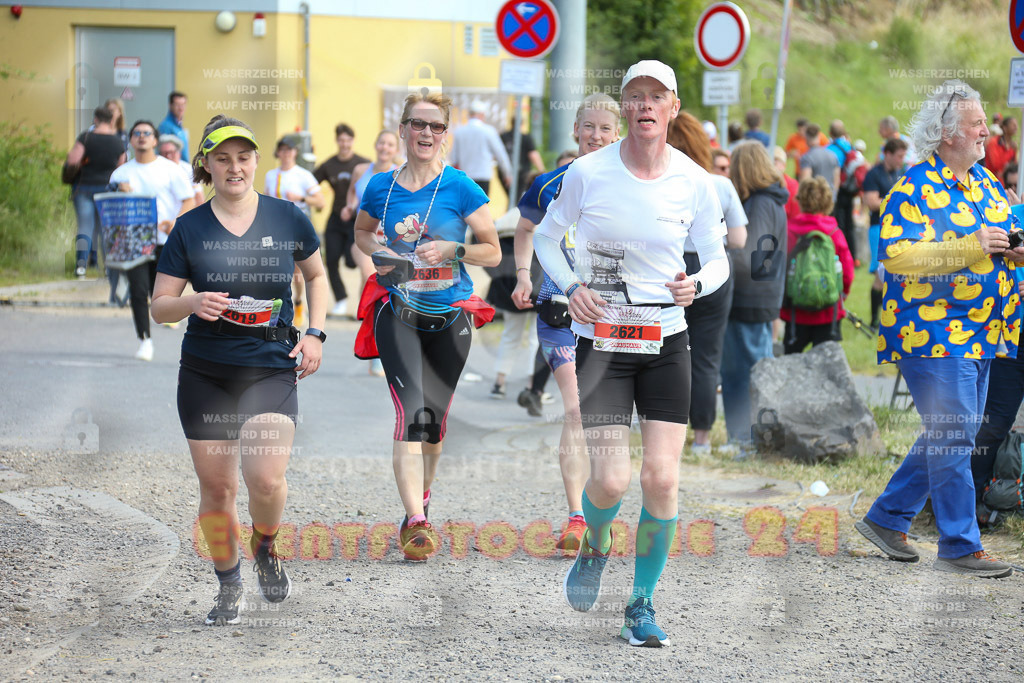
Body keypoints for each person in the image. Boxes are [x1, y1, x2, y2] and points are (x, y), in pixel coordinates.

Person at [534, 60, 729, 647]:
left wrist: (698, 285)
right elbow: (546, 237)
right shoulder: (589, 174)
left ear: (672, 108)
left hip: (667, 342)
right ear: (624, 108)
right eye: (635, 96)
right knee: (612, 481)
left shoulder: (695, 180)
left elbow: (717, 258)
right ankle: (596, 542)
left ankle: (640, 604)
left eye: (657, 97)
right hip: (603, 346)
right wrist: (571, 287)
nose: (645, 106)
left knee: (662, 478)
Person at [151, 115, 328, 626]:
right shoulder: (190, 227)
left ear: (256, 161)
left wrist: (315, 332)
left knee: (266, 481)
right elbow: (159, 305)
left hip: (270, 365)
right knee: (219, 490)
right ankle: (228, 583)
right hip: (206, 371)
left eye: (244, 156)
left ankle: (266, 546)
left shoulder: (286, 216)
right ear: (205, 164)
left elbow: (316, 277)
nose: (235, 167)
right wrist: (191, 301)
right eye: (223, 158)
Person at [855, 80, 1018, 578]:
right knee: (955, 434)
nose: (985, 130)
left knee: (953, 434)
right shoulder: (913, 185)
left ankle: (887, 519)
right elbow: (897, 254)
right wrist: (971, 246)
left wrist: (1014, 249)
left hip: (985, 332)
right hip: (933, 335)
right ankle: (960, 543)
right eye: (975, 123)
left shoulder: (986, 184)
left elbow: (1002, 239)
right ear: (947, 132)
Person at [353, 92, 501, 562]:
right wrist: (382, 255)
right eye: (417, 124)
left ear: (445, 135)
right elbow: (361, 232)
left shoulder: (461, 188)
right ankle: (416, 522)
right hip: (396, 310)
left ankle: (424, 495)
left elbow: (493, 251)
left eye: (435, 127)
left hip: (450, 314)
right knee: (410, 412)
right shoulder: (380, 186)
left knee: (433, 423)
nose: (426, 134)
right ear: (402, 129)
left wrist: (455, 251)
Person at [511, 93, 620, 551]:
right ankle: (578, 516)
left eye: (605, 129)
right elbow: (524, 230)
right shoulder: (549, 182)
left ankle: (602, 507)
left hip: (613, 316)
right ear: (576, 131)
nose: (596, 136)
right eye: (588, 127)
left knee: (607, 418)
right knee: (576, 410)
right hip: (559, 313)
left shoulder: (631, 184)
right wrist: (522, 277)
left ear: (619, 134)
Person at [667, 112, 748, 453]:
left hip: (671, 270)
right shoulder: (721, 184)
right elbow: (740, 240)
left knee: (667, 350)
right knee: (706, 356)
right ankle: (701, 438)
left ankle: (668, 430)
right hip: (713, 269)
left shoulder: (665, 182)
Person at [720, 141, 789, 445]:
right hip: (762, 297)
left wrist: (717, 253)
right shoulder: (772, 201)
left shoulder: (760, 203)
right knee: (755, 373)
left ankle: (745, 439)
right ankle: (755, 437)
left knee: (742, 376)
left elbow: (749, 256)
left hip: (749, 299)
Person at [109, 119, 195, 361]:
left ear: (155, 140)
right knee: (138, 291)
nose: (141, 136)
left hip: (164, 242)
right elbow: (110, 210)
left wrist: (175, 223)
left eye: (147, 133)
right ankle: (144, 340)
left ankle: (180, 328)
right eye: (136, 133)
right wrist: (119, 193)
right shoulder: (120, 174)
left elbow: (187, 200)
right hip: (134, 242)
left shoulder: (170, 169)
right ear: (130, 139)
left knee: (161, 294)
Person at [345, 130, 400, 376]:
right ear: (375, 144)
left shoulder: (402, 173)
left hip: (390, 242)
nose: (385, 148)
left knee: (387, 291)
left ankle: (381, 348)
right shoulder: (361, 170)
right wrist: (349, 206)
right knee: (371, 277)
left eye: (390, 144)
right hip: (364, 239)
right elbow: (352, 192)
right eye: (382, 143)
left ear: (395, 149)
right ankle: (369, 322)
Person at [779, 176, 854, 353]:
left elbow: (779, 268)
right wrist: (840, 295)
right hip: (829, 311)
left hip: (795, 312)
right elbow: (848, 273)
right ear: (828, 202)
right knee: (826, 370)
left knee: (791, 365)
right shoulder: (834, 232)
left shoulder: (788, 230)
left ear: (800, 200)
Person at [265, 135, 325, 328]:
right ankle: (276, 309)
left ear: (295, 152)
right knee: (274, 269)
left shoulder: (303, 175)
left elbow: (320, 201)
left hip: (296, 228)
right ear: (278, 152)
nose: (286, 154)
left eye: (290, 150)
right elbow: (265, 200)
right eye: (283, 150)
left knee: (297, 271)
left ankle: (299, 302)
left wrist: (301, 197)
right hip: (274, 227)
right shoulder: (270, 175)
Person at [314, 123, 370, 317]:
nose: (344, 144)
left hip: (358, 220)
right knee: (330, 260)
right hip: (336, 218)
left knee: (351, 261)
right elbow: (311, 182)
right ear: (337, 141)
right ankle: (341, 299)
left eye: (348, 140)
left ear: (352, 141)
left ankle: (360, 301)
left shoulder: (363, 164)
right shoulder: (329, 165)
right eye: (341, 140)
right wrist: (314, 200)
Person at [66, 106, 126, 277]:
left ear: (96, 119)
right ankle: (108, 267)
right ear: (111, 120)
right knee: (106, 229)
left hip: (84, 188)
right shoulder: (117, 142)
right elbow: (121, 168)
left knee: (85, 226)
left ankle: (81, 266)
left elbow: (72, 160)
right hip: (107, 191)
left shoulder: (86, 137)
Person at [861, 137, 908, 329]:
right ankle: (874, 319)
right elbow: (871, 202)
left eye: (904, 156)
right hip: (878, 228)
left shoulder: (902, 173)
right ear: (887, 154)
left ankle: (889, 317)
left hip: (899, 228)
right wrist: (895, 201)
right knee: (880, 274)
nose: (901, 160)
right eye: (899, 156)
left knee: (895, 272)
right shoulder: (874, 174)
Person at [449, 100, 512, 195]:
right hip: (483, 176)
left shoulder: (459, 132)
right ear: (482, 114)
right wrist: (507, 174)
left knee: (466, 208)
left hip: (465, 177)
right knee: (482, 207)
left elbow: (453, 159)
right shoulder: (489, 131)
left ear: (470, 114)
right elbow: (500, 154)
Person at [826, 120, 859, 266]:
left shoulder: (830, 149)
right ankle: (854, 257)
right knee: (850, 224)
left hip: (838, 190)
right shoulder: (850, 147)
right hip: (851, 190)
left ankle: (841, 256)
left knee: (839, 224)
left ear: (830, 133)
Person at [500, 122, 546, 200]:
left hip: (504, 173)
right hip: (522, 173)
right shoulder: (525, 137)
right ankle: (515, 210)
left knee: (513, 198)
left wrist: (506, 173)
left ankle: (513, 209)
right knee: (517, 198)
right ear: (522, 125)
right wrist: (542, 171)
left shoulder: (503, 136)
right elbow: (533, 155)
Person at [158, 133, 205, 206]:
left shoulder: (188, 170)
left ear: (179, 153)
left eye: (171, 152)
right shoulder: (157, 170)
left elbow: (198, 196)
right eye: (164, 153)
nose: (168, 156)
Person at [799, 123, 839, 197]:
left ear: (806, 137)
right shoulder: (833, 155)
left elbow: (805, 182)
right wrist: (834, 197)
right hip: (828, 199)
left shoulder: (807, 158)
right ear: (819, 136)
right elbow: (836, 179)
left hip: (813, 200)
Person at [158, 91, 189, 158]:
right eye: (177, 105)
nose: (181, 108)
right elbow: (164, 152)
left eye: (183, 104)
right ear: (170, 105)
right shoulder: (166, 126)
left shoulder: (179, 125)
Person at [773, 145, 800, 219]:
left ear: (784, 165)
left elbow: (795, 215)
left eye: (775, 163)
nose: (771, 166)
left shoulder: (792, 185)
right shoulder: (759, 183)